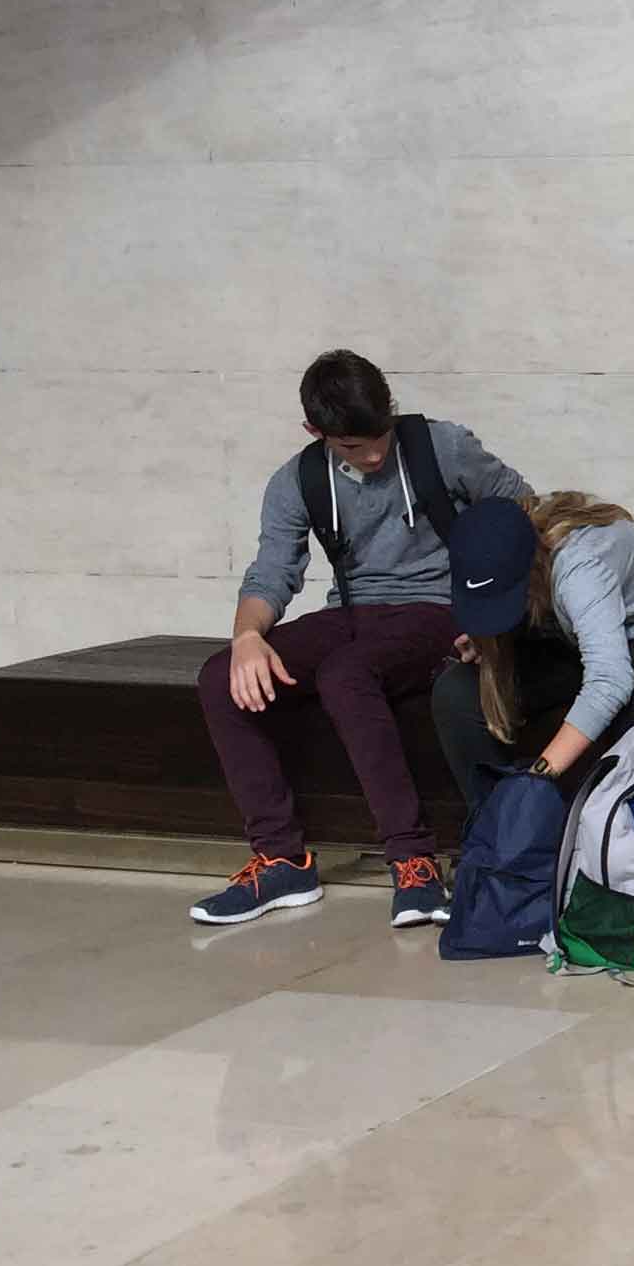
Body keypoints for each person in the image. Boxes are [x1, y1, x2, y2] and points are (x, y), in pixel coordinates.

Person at [193, 350, 530, 930]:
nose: (373, 455)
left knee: (345, 674)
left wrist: (493, 618)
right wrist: (247, 637)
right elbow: (271, 573)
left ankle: (413, 863)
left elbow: (523, 513)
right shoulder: (297, 479)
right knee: (219, 675)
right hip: (354, 612)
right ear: (315, 431)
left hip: (441, 609)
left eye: (380, 436)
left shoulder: (443, 447)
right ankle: (280, 860)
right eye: (353, 445)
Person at [428, 493, 634, 832]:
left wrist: (537, 777)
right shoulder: (486, 553)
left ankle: (629, 837)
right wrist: (486, 633)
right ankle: (498, 835)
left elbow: (610, 680)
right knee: (457, 690)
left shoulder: (580, 564)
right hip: (574, 644)